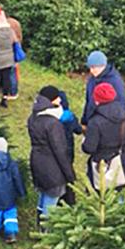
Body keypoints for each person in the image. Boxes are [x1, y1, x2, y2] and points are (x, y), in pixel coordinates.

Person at [28, 85, 76, 228]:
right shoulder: (53, 123)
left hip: (37, 161)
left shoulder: (33, 117)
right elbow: (60, 151)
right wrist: (69, 175)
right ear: (51, 100)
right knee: (52, 199)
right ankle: (45, 231)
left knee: (42, 196)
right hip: (52, 168)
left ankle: (39, 224)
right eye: (57, 97)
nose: (60, 99)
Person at [82, 82, 125, 193]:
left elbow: (89, 148)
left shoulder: (95, 121)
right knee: (118, 193)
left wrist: (84, 141)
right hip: (121, 161)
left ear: (97, 99)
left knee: (97, 196)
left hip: (101, 165)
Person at [82, 50, 125, 129]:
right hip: (92, 122)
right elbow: (88, 100)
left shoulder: (115, 82)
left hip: (106, 126)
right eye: (90, 67)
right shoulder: (92, 79)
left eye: (93, 67)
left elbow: (121, 105)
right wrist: (84, 120)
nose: (91, 71)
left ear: (102, 65)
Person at [0, 0, 23, 99]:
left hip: (8, 49)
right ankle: (11, 91)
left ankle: (12, 92)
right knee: (12, 70)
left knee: (10, 72)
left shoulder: (4, 27)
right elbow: (20, 37)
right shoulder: (15, 22)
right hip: (16, 47)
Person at [58, 90, 82, 205]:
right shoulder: (70, 116)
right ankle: (70, 201)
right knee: (69, 176)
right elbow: (78, 130)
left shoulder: (53, 117)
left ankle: (58, 199)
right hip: (69, 151)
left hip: (57, 150)